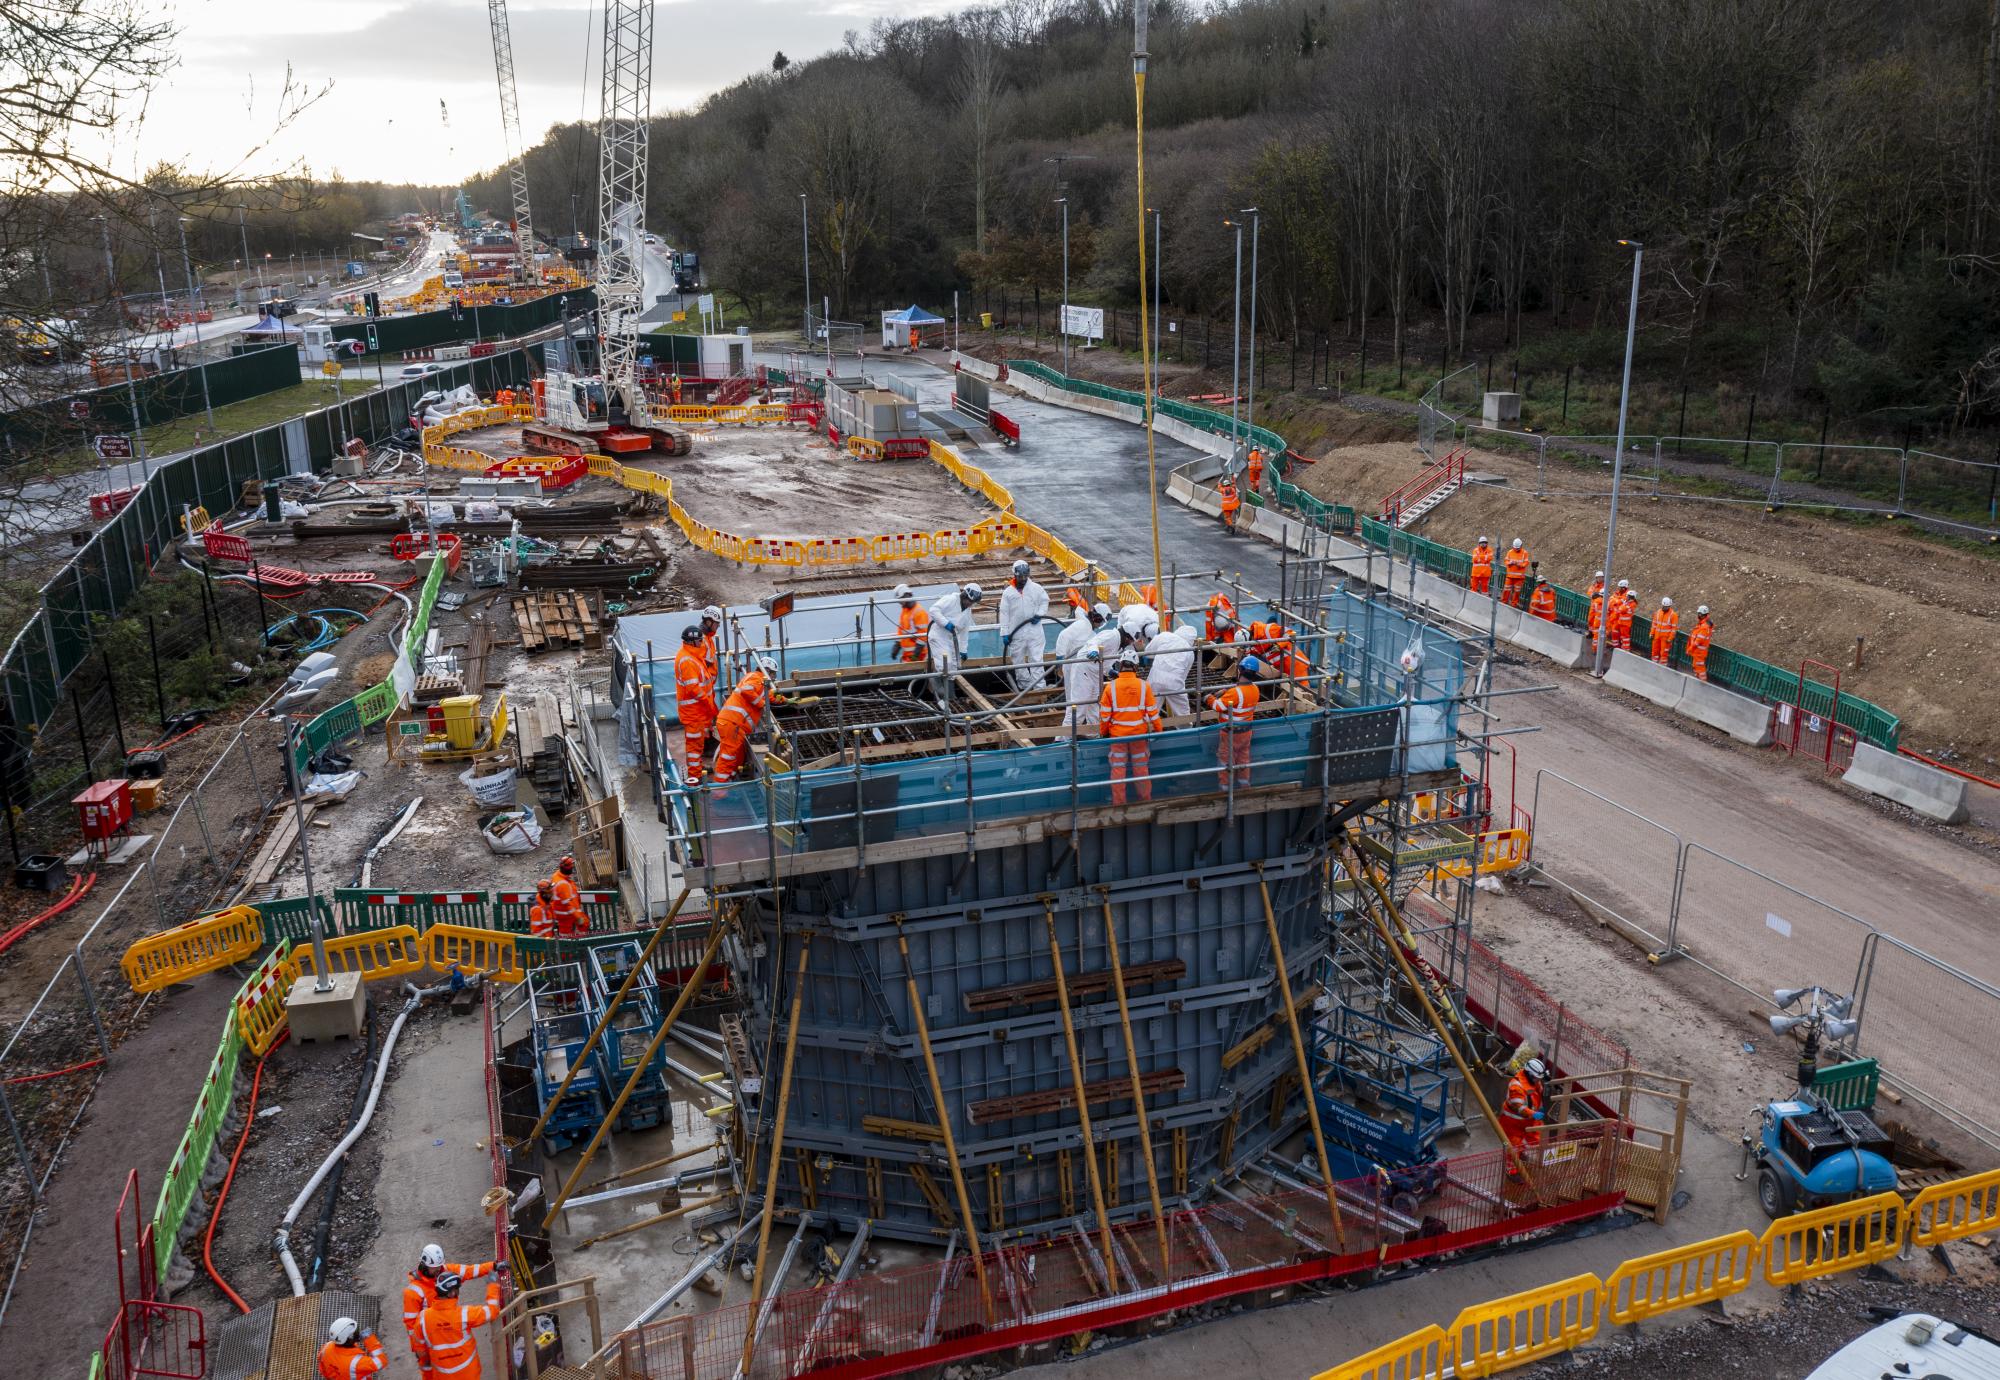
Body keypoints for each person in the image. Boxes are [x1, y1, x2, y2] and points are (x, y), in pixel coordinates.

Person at [402, 1245, 499, 1380]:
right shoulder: (413, 1292)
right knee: (429, 1370)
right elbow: (411, 1326)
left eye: (439, 1266)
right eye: (434, 1267)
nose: (437, 1270)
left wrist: (493, 1266)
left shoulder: (443, 1272)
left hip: (435, 1333)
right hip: (433, 1336)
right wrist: (420, 1352)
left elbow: (470, 1271)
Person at [1099, 649, 1160, 805]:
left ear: (1120, 666)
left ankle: (1119, 803)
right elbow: (1153, 713)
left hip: (1118, 737)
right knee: (1141, 769)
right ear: (1136, 667)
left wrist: (1103, 733)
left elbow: (1104, 716)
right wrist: (1159, 731)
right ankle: (1145, 801)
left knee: (1118, 771)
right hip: (1139, 736)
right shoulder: (1144, 686)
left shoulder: (1110, 687)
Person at [417, 1272, 503, 1380]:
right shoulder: (464, 1314)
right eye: (457, 1289)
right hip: (468, 1374)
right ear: (452, 1292)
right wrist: (493, 1285)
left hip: (441, 1376)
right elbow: (492, 1311)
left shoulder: (422, 1318)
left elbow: (420, 1351)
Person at [710, 657, 782, 785]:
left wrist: (786, 700)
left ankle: (731, 782)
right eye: (773, 673)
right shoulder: (757, 678)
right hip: (733, 724)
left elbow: (769, 695)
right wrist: (761, 704)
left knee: (738, 756)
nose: (774, 677)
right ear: (766, 670)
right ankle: (719, 789)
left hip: (733, 723)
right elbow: (747, 691)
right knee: (728, 757)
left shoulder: (758, 680)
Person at [1054, 602, 1112, 731]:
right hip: (1071, 664)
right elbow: (1063, 637)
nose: (1100, 625)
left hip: (1077, 664)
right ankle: (1069, 727)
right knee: (1073, 697)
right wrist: (1060, 658)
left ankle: (1076, 722)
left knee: (1076, 695)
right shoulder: (1082, 625)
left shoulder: (1089, 631)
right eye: (1100, 622)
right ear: (1096, 618)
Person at [1207, 657, 1262, 789]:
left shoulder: (1235, 693)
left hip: (1231, 733)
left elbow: (1217, 706)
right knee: (1243, 758)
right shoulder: (1255, 689)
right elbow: (1240, 695)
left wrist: (1208, 697)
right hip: (1246, 731)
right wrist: (1227, 692)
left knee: (1225, 760)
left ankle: (1225, 787)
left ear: (1240, 670)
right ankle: (1245, 785)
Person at [673, 624, 717, 784]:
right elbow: (693, 689)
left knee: (698, 744)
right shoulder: (687, 660)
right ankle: (695, 777)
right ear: (692, 642)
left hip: (698, 711)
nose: (702, 643)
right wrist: (708, 703)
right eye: (699, 641)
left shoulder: (692, 656)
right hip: (693, 712)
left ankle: (697, 770)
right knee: (694, 747)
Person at [997, 559, 1050, 691]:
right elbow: (1004, 614)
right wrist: (1005, 632)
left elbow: (1045, 602)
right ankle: (1025, 688)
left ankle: (1039, 689)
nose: (1023, 579)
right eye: (1020, 576)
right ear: (1014, 575)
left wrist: (1040, 614)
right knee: (1018, 661)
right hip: (1017, 632)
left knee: (1036, 660)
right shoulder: (1008, 593)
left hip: (1034, 631)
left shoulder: (1036, 589)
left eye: (1025, 576)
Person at [1499, 1057, 1548, 1180]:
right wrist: (1533, 1113)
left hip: (1530, 1120)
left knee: (1536, 1138)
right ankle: (1511, 1171)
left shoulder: (1534, 1081)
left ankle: (1521, 1152)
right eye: (1537, 1078)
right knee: (1514, 1147)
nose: (1538, 1080)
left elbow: (1537, 1095)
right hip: (1513, 1123)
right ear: (1530, 1074)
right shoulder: (1516, 1087)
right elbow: (1519, 1108)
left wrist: (1538, 1109)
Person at [926, 583, 984, 678]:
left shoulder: (967, 611)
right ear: (964, 595)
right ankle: (936, 681)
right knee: (946, 665)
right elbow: (933, 610)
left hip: (951, 641)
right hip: (939, 637)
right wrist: (945, 623)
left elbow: (964, 631)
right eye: (970, 601)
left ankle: (950, 691)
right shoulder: (951, 599)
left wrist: (963, 650)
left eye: (972, 602)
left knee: (954, 669)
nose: (970, 604)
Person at [1145, 620, 1195, 719]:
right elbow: (1184, 675)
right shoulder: (1190, 652)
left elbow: (1148, 652)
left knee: (1149, 709)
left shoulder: (1165, 636)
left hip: (1155, 677)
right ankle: (1186, 730)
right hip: (1175, 681)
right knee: (1183, 712)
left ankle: (1146, 729)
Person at [320, 1319, 386, 1380]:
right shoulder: (356, 1362)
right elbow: (381, 1361)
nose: (358, 1333)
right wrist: (370, 1340)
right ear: (350, 1339)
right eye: (356, 1332)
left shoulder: (327, 1347)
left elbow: (322, 1366)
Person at [547, 856, 586, 936]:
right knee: (566, 934)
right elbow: (568, 904)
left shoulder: (557, 876)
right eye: (571, 867)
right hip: (566, 914)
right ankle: (568, 947)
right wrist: (578, 917)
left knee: (567, 932)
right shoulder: (563, 884)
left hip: (563, 912)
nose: (572, 869)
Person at [892, 584, 930, 663]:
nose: (900, 603)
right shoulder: (905, 611)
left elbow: (923, 636)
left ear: (906, 596)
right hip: (907, 655)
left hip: (920, 656)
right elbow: (901, 630)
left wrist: (915, 655)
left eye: (900, 600)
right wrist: (897, 646)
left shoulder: (919, 612)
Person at [1687, 605, 1715, 681]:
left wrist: (1690, 649)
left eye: (1699, 614)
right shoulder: (1703, 624)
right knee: (1696, 666)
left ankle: (1702, 683)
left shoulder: (1704, 627)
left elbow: (1698, 641)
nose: (1698, 615)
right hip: (1698, 651)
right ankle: (1698, 680)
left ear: (1703, 615)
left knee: (1699, 667)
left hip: (1699, 652)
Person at [1501, 538, 1531, 606]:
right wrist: (1510, 563)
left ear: (1521, 546)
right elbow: (1506, 561)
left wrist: (1519, 564)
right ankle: (1503, 602)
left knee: (1517, 592)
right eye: (1515, 548)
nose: (1516, 549)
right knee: (1506, 590)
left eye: (1518, 548)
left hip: (1519, 577)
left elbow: (1526, 563)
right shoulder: (1510, 552)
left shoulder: (1524, 553)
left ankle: (1514, 604)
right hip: (1510, 576)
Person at [1650, 596, 1679, 664]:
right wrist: (1651, 633)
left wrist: (1670, 638)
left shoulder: (1673, 615)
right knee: (1655, 651)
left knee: (1664, 653)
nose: (1665, 608)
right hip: (1657, 636)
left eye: (1667, 607)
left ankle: (1662, 666)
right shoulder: (1658, 612)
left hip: (1665, 638)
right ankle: (1653, 663)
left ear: (1669, 606)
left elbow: (1674, 628)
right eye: (1664, 606)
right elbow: (1654, 624)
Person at [1615, 584, 1638, 651]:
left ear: (1630, 597)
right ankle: (1623, 648)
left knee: (1625, 637)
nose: (1626, 597)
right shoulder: (1628, 603)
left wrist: (1621, 606)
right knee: (1623, 637)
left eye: (1627, 596)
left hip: (1625, 624)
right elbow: (1619, 606)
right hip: (1622, 623)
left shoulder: (1632, 604)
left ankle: (1626, 649)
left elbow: (1621, 609)